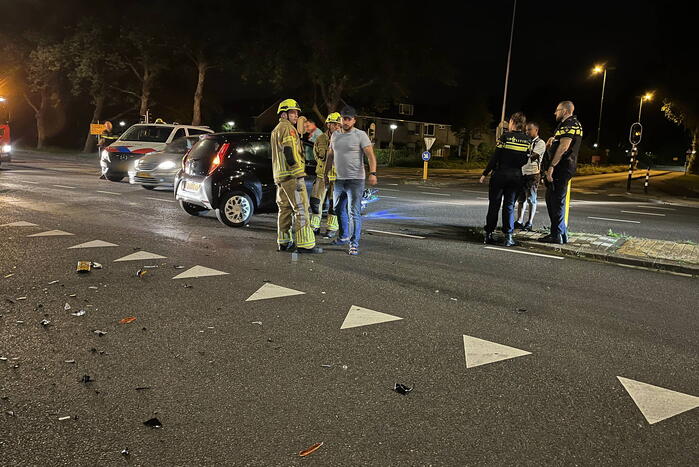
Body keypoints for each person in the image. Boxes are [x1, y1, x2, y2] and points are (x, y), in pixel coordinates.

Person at [270, 98, 322, 254]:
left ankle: (284, 242)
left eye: (297, 112)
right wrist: (297, 171)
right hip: (292, 176)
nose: (296, 115)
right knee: (301, 208)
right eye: (292, 112)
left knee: (284, 209)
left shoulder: (276, 130)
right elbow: (288, 151)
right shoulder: (288, 129)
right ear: (284, 114)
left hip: (280, 177)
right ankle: (306, 244)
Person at [324, 105, 378, 256]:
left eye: (349, 119)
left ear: (354, 120)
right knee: (337, 209)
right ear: (340, 119)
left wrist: (372, 173)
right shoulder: (335, 136)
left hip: (356, 180)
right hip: (339, 180)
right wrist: (325, 174)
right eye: (344, 118)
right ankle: (343, 236)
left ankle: (354, 243)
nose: (346, 121)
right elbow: (330, 156)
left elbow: (370, 156)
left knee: (353, 212)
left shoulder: (360, 135)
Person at [479, 112, 531, 247]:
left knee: (494, 205)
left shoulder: (505, 137)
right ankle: (508, 237)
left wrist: (485, 173)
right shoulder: (528, 140)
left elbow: (495, 157)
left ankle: (488, 234)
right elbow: (526, 160)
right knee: (509, 206)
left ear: (513, 122)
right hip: (516, 176)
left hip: (500, 175)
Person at [539, 101, 583, 244]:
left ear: (565, 111)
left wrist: (552, 166)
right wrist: (553, 140)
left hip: (562, 168)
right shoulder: (568, 124)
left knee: (556, 202)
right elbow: (562, 142)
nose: (555, 113)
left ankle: (556, 235)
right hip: (562, 167)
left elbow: (564, 147)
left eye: (557, 110)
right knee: (551, 199)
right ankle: (560, 233)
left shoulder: (569, 124)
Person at [309, 113, 341, 237]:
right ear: (328, 124)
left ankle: (331, 228)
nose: (337, 127)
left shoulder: (344, 139)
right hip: (322, 176)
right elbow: (316, 154)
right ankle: (315, 226)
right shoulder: (320, 138)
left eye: (339, 125)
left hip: (337, 177)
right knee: (316, 202)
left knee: (334, 204)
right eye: (335, 124)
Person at [514, 122, 546, 231]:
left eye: (529, 130)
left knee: (531, 199)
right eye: (526, 130)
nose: (527, 132)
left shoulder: (540, 143)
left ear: (536, 130)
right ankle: (519, 220)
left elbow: (533, 156)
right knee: (521, 199)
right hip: (522, 173)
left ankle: (530, 222)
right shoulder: (525, 141)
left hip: (533, 174)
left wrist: (520, 153)